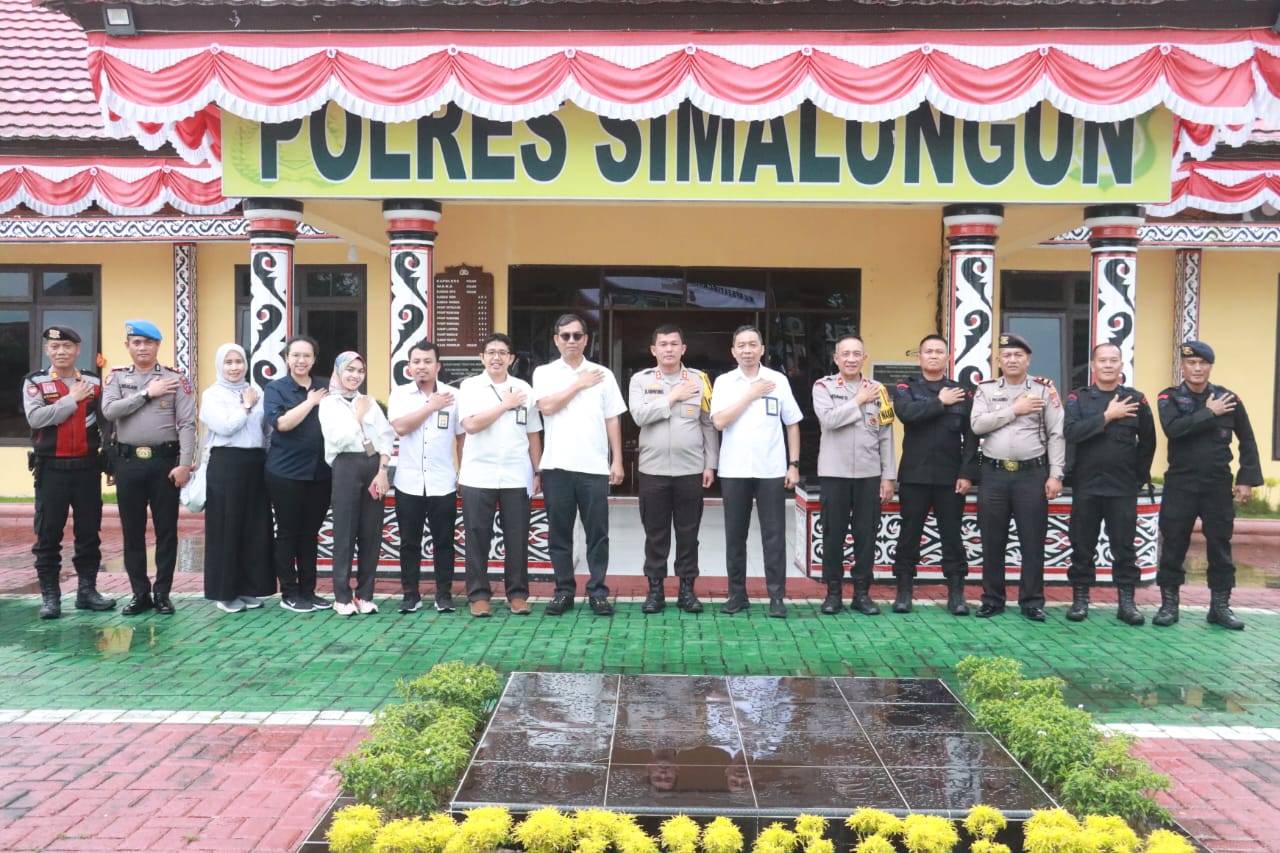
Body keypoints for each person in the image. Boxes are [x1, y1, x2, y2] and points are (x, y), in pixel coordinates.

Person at [1153, 340, 1262, 630]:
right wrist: (1209, 413)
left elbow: (1247, 440)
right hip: (1181, 483)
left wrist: (1246, 479)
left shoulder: (1229, 399)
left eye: (1203, 363)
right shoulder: (1169, 397)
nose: (1197, 368)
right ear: (1183, 366)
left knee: (1220, 545)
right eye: (1191, 363)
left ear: (1210, 366)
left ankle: (1220, 607)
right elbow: (1173, 429)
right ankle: (1169, 606)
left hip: (1217, 484)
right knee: (1174, 543)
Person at [533, 314, 627, 616]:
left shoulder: (603, 374)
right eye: (565, 336)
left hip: (594, 467)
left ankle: (598, 592)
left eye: (577, 335)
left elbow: (612, 418)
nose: (571, 341)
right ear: (556, 340)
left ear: (586, 339)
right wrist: (578, 384)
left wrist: (617, 460)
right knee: (559, 534)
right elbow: (547, 407)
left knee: (597, 534)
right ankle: (563, 591)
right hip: (557, 466)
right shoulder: (544, 373)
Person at [101, 319, 196, 616]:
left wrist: (185, 464)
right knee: (133, 532)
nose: (142, 348)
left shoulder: (175, 379)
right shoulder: (117, 377)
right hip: (128, 463)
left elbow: (188, 424)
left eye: (148, 343)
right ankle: (139, 593)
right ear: (127, 345)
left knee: (166, 531)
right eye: (137, 342)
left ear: (158, 345)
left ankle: (163, 593)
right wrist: (146, 394)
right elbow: (109, 411)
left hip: (164, 464)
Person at [969, 333, 1064, 622]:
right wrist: (1014, 410)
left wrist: (1056, 474)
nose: (1012, 360)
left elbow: (1056, 434)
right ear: (998, 360)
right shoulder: (985, 390)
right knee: (992, 540)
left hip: (1032, 475)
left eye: (1018, 355)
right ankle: (992, 599)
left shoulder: (1044, 390)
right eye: (1007, 355)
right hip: (994, 474)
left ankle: (1032, 601)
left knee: (1032, 541)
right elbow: (977, 425)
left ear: (1028, 359)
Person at [23, 325, 115, 619]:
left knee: (89, 533)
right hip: (51, 470)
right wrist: (71, 399)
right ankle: (51, 598)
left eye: (67, 346)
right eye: (55, 347)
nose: (61, 351)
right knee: (48, 535)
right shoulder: (35, 382)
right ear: (47, 351)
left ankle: (87, 592)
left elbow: (106, 422)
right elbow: (36, 418)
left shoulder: (92, 381)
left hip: (87, 469)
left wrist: (110, 456)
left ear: (77, 349)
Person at [711, 325, 802, 619]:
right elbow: (719, 421)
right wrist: (750, 394)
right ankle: (737, 594)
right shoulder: (724, 382)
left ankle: (776, 596)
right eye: (741, 345)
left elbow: (792, 423)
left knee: (774, 536)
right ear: (733, 351)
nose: (747, 350)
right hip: (734, 470)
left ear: (762, 349)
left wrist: (794, 464)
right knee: (735, 536)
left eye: (753, 344)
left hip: (771, 469)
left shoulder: (778, 381)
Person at [627, 324, 719, 614]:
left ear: (683, 349)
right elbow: (639, 416)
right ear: (653, 350)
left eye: (674, 344)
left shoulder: (700, 380)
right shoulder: (640, 380)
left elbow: (708, 424)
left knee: (688, 534)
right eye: (663, 344)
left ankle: (687, 590)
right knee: (655, 534)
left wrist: (710, 464)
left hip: (690, 470)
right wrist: (672, 396)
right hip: (653, 471)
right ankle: (655, 590)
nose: (669, 349)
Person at [1063, 343, 1156, 625]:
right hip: (1087, 485)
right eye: (1102, 360)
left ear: (1121, 365)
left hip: (1122, 488)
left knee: (1124, 547)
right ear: (1093, 365)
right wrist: (1107, 416)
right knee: (1082, 545)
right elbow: (1071, 432)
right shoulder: (1078, 398)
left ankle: (1126, 603)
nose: (1107, 365)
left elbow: (1148, 443)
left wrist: (1137, 478)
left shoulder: (1136, 400)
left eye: (1113, 360)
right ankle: (1080, 600)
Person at [891, 334, 980, 616]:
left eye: (938, 351)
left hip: (950, 478)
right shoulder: (906, 388)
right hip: (914, 476)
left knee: (952, 536)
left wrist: (967, 473)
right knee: (909, 535)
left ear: (948, 357)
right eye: (928, 351)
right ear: (919, 357)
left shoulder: (962, 392)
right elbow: (906, 414)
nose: (933, 356)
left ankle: (956, 593)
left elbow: (972, 437)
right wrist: (940, 401)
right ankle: (904, 591)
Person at [457, 333, 542, 617]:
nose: (496, 357)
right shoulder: (470, 387)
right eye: (491, 352)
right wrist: (505, 405)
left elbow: (533, 433)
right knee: (477, 536)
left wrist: (537, 470)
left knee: (517, 537)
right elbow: (471, 425)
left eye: (502, 353)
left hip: (516, 474)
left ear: (511, 358)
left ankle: (517, 594)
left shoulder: (524, 389)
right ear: (482, 357)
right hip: (478, 474)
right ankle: (479, 595)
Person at [812, 334, 896, 616]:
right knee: (833, 534)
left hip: (868, 474)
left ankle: (862, 593)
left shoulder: (879, 390)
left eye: (856, 354)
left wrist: (888, 476)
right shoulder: (823, 387)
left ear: (864, 358)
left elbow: (886, 435)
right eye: (845, 354)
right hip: (834, 474)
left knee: (866, 535)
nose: (851, 359)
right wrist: (859, 400)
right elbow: (828, 420)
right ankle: (833, 593)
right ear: (836, 359)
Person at [388, 340, 465, 614]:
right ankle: (411, 595)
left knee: (444, 542)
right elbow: (401, 427)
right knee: (409, 542)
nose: (422, 366)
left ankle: (444, 595)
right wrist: (431, 406)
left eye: (427, 361)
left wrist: (462, 472)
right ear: (409, 366)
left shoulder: (454, 396)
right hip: (408, 482)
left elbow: (461, 438)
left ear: (438, 366)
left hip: (443, 481)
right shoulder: (400, 395)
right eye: (416, 362)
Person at [198, 343, 275, 613]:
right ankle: (225, 592)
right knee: (226, 527)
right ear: (220, 365)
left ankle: (248, 587)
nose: (234, 367)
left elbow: (266, 431)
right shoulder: (212, 394)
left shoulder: (256, 392)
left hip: (255, 464)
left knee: (253, 527)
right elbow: (225, 427)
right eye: (228, 362)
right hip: (226, 464)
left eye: (239, 361)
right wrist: (245, 406)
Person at [319, 351, 395, 616]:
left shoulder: (369, 401)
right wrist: (358, 415)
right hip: (346, 467)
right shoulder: (329, 404)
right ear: (339, 371)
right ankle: (342, 596)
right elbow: (337, 439)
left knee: (371, 533)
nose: (355, 375)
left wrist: (383, 471)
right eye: (349, 370)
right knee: (345, 533)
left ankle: (365, 595)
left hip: (373, 468)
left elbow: (386, 437)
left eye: (360, 371)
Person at [263, 336, 332, 614]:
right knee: (288, 532)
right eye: (296, 355)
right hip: (286, 473)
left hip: (321, 473)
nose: (301, 360)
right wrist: (310, 402)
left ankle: (308, 591)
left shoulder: (327, 386)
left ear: (314, 359)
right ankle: (289, 592)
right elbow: (282, 424)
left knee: (309, 534)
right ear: (287, 359)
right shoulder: (276, 389)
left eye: (307, 356)